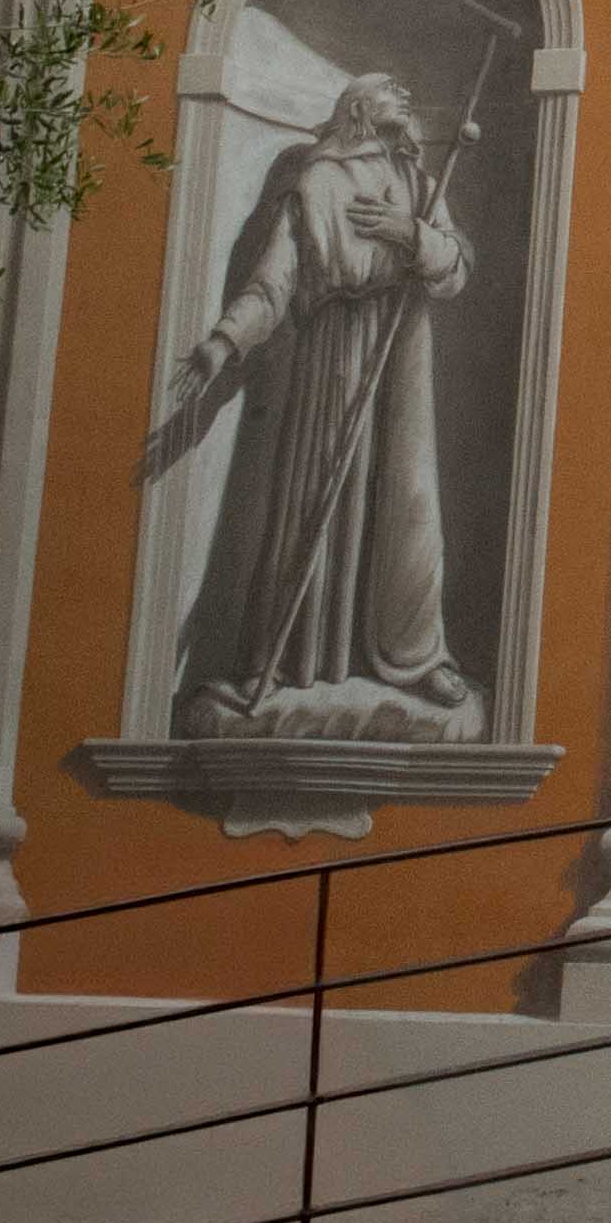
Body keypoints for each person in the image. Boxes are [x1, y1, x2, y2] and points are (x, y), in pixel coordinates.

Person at [152, 69, 476, 740]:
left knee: (407, 507)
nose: (404, 94)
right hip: (333, 355)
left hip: (400, 354)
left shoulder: (418, 180)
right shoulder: (317, 181)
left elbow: (454, 270)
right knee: (312, 503)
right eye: (390, 88)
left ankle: (416, 657)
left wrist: (411, 234)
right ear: (357, 109)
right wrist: (222, 342)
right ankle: (287, 659)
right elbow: (274, 282)